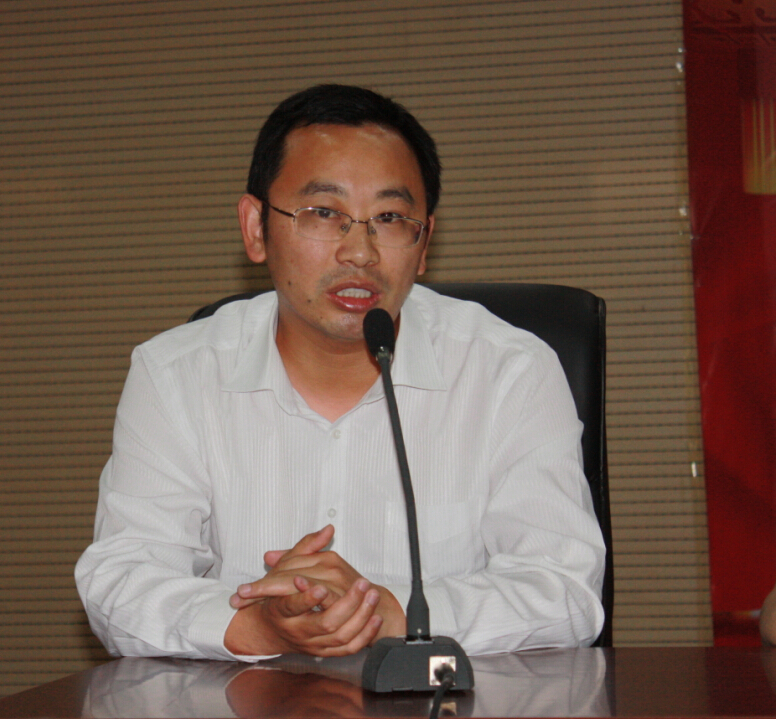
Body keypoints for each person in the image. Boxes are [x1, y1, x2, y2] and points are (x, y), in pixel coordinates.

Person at [75, 84, 606, 661]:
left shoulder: (509, 372)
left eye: (390, 217)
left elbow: (564, 589)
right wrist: (258, 627)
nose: (360, 252)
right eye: (324, 213)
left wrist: (389, 616)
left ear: (424, 241)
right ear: (256, 227)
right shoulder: (175, 375)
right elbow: (123, 578)